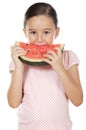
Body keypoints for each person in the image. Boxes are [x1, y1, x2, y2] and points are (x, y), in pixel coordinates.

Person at [7, 2, 83, 130]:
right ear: (25, 32)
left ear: (56, 32)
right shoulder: (18, 61)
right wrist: (19, 67)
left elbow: (78, 100)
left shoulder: (68, 57)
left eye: (46, 32)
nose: (39, 40)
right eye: (33, 32)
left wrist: (60, 68)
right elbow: (13, 103)